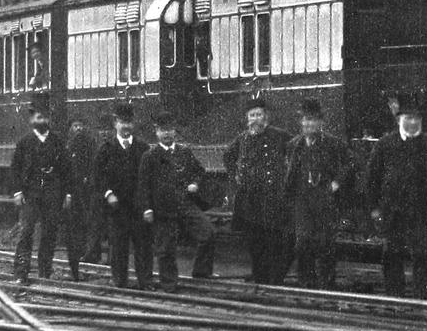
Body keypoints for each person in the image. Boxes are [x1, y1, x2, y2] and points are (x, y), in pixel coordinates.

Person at [366, 99, 427, 299]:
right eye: (409, 118)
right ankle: (394, 296)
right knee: (391, 255)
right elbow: (372, 178)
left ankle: (423, 297)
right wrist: (374, 208)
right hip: (393, 212)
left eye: (417, 119)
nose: (413, 123)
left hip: (421, 212)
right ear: (399, 120)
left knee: (424, 255)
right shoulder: (385, 144)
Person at [138, 111, 217, 285]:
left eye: (170, 129)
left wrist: (195, 183)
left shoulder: (184, 152)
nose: (166, 133)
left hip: (184, 203)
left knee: (208, 233)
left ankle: (201, 272)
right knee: (165, 248)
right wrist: (147, 208)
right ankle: (169, 282)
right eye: (162, 130)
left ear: (174, 131)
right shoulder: (149, 156)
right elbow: (143, 186)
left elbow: (199, 172)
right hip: (162, 208)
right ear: (156, 132)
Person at [282, 99, 353, 288]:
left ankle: (326, 283)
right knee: (302, 243)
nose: (308, 124)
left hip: (325, 200)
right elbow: (289, 171)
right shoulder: (294, 145)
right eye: (305, 120)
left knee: (325, 244)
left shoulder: (333, 144)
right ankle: (306, 282)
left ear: (320, 123)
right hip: (302, 200)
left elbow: (350, 164)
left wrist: (337, 182)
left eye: (312, 120)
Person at [223, 98, 293, 283]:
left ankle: (274, 278)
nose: (255, 119)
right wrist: (235, 175)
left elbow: (295, 151)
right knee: (255, 241)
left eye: (259, 115)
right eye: (252, 115)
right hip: (250, 199)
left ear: (266, 117)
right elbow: (228, 156)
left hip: (272, 197)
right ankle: (259, 276)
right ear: (247, 118)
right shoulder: (243, 138)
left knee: (274, 239)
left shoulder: (280, 135)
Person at [7, 100, 71, 285]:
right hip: (30, 194)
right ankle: (21, 272)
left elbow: (66, 169)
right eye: (39, 117)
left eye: (45, 117)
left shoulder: (57, 142)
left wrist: (67, 193)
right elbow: (15, 169)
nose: (43, 121)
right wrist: (17, 191)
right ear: (32, 119)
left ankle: (45, 272)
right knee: (26, 232)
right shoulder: (24, 143)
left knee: (49, 232)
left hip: (52, 193)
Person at [94, 104, 151, 288]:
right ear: (115, 124)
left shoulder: (143, 148)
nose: (126, 126)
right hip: (117, 206)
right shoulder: (106, 148)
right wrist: (108, 193)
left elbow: (150, 176)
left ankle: (145, 281)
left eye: (129, 122)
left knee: (142, 244)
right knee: (118, 244)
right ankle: (119, 281)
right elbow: (98, 176)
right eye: (122, 122)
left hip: (137, 205)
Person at [60, 118, 100, 281]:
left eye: (80, 126)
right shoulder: (68, 146)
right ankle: (80, 254)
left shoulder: (88, 145)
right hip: (74, 191)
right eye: (75, 126)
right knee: (76, 223)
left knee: (89, 221)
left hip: (85, 189)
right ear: (70, 128)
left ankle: (89, 254)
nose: (78, 129)